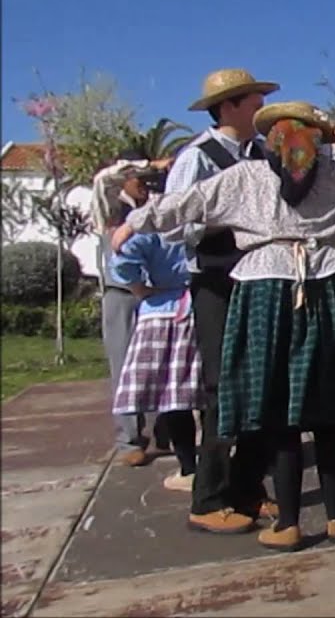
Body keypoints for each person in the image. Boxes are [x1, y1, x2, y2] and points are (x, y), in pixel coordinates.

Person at [115, 81, 335, 551]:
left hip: (266, 289)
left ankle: (291, 523)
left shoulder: (245, 178)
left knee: (279, 407)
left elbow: (183, 206)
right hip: (329, 283)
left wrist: (132, 222)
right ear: (313, 137)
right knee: (325, 406)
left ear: (271, 138)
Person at [167, 68, 279, 533]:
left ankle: (248, 488)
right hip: (215, 283)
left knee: (264, 385)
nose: (261, 108)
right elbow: (175, 225)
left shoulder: (260, 154)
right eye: (254, 100)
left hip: (256, 279)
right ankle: (208, 498)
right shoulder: (197, 158)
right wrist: (225, 218)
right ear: (230, 105)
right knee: (222, 386)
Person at [109, 176, 201, 492]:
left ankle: (189, 469)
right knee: (206, 391)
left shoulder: (153, 224)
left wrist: (139, 289)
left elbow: (122, 259)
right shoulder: (201, 215)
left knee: (172, 396)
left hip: (160, 311)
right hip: (203, 304)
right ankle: (220, 463)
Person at [90, 150, 176, 467]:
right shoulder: (108, 204)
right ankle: (129, 440)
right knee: (124, 365)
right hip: (121, 294)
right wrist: (147, 166)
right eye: (139, 178)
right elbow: (103, 180)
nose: (145, 184)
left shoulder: (155, 203)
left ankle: (168, 431)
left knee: (165, 365)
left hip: (156, 294)